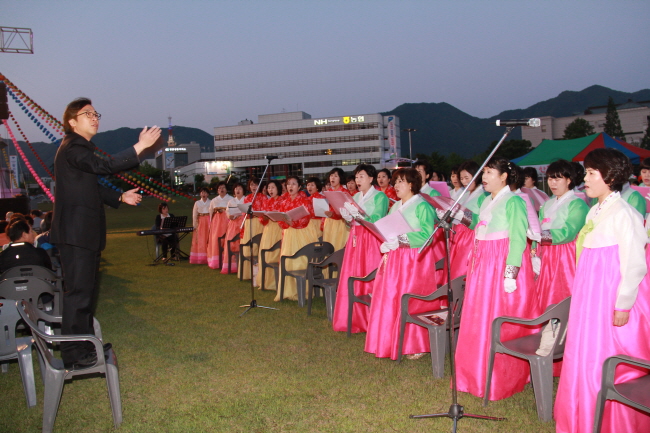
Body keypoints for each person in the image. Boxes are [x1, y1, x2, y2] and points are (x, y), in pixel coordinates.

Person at [51, 97, 161, 369]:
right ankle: (74, 355)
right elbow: (105, 166)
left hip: (81, 233)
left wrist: (119, 197)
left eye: (95, 113)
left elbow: (90, 187)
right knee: (78, 294)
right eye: (87, 114)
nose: (94, 117)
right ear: (72, 122)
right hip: (76, 233)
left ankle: (87, 346)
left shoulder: (79, 149)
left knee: (86, 293)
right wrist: (139, 146)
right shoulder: (73, 147)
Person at [554, 149, 650, 433]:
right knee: (583, 352)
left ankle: (608, 421)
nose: (585, 179)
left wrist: (623, 305)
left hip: (607, 297)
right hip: (590, 294)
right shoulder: (596, 209)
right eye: (586, 172)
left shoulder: (625, 213)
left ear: (609, 177)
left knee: (602, 355)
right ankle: (580, 413)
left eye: (591, 173)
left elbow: (635, 264)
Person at [454, 156, 541, 401]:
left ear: (503, 177)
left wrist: (510, 273)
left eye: (489, 172)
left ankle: (499, 376)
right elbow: (481, 225)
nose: (484, 177)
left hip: (500, 262)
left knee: (496, 316)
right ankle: (473, 372)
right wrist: (461, 215)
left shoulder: (514, 200)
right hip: (483, 261)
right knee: (478, 315)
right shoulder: (486, 200)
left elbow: (518, 238)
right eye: (484, 172)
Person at [364, 168, 442, 360]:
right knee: (392, 297)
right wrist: (386, 240)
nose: (396, 185)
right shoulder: (395, 206)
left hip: (414, 259)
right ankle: (390, 339)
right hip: (395, 258)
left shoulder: (422, 205)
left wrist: (401, 239)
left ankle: (416, 343)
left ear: (411, 184)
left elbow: (427, 236)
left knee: (412, 298)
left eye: (400, 181)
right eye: (396, 181)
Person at [331, 164, 389, 332]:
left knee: (369, 273)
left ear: (371, 178)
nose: (358, 180)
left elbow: (377, 218)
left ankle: (372, 319)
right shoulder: (355, 196)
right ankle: (354, 316)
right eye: (356, 177)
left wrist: (360, 215)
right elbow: (351, 223)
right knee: (353, 273)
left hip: (371, 239)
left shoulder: (380, 196)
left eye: (361, 176)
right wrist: (348, 218)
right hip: (356, 238)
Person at [534, 160, 588, 310]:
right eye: (550, 179)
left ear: (569, 180)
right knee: (544, 292)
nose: (553, 183)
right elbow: (538, 228)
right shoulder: (547, 204)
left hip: (565, 254)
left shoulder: (577, 204)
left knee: (562, 291)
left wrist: (540, 236)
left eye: (557, 179)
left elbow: (569, 232)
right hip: (545, 252)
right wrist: (534, 253)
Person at [274, 176, 319, 301]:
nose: (290, 186)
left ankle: (304, 291)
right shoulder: (284, 202)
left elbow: (305, 219)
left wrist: (292, 222)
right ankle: (289, 291)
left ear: (299, 187)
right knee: (288, 261)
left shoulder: (305, 201)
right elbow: (281, 220)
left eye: (294, 184)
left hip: (303, 233)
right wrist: (285, 222)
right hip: (289, 234)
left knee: (301, 260)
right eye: (288, 184)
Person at [255, 180, 284, 290]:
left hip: (279, 228)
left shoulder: (283, 200)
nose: (270, 190)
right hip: (268, 229)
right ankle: (267, 281)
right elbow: (262, 219)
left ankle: (278, 282)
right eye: (269, 188)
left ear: (278, 188)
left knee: (277, 253)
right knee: (267, 254)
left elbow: (285, 216)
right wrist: (264, 217)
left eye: (273, 187)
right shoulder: (266, 201)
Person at [239, 177, 264, 280]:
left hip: (259, 223)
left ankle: (258, 274)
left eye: (256, 184)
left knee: (257, 247)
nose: (254, 187)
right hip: (248, 223)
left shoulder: (263, 197)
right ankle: (248, 274)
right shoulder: (247, 198)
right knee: (248, 249)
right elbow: (243, 212)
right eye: (252, 185)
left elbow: (264, 212)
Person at [323, 168, 350, 252]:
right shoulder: (328, 191)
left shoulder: (344, 192)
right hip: (329, 222)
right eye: (331, 175)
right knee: (328, 246)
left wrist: (334, 214)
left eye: (335, 176)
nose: (332, 178)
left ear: (340, 178)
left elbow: (347, 210)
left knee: (338, 246)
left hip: (340, 223)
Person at [206, 182, 232, 269]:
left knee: (227, 239)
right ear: (217, 190)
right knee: (216, 240)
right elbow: (210, 212)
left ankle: (227, 261)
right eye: (219, 188)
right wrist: (211, 224)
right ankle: (217, 261)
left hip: (227, 221)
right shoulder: (214, 200)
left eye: (223, 188)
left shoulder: (231, 199)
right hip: (216, 223)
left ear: (226, 189)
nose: (221, 190)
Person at [222, 183, 245, 274]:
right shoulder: (231, 201)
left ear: (243, 190)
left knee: (242, 243)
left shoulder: (246, 200)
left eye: (240, 189)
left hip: (243, 223)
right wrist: (230, 216)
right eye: (236, 189)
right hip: (233, 223)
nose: (238, 191)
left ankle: (243, 265)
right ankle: (233, 265)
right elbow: (228, 212)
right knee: (232, 243)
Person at [190, 187, 211, 264]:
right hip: (200, 222)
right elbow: (194, 214)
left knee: (208, 238)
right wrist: (195, 225)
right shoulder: (197, 203)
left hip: (208, 221)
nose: (203, 194)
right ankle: (201, 257)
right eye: (202, 193)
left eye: (205, 192)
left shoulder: (211, 202)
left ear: (208, 194)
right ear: (200, 194)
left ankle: (209, 256)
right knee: (201, 238)